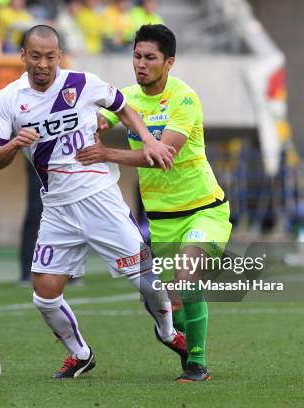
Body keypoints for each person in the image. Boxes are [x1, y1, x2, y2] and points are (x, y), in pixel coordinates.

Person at [0, 24, 184, 379]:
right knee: (43, 295)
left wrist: (147, 140)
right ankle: (81, 354)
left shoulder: (82, 83)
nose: (43, 64)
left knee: (147, 282)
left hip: (99, 199)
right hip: (58, 209)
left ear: (59, 56)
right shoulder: (7, 99)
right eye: (35, 56)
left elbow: (123, 107)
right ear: (23, 57)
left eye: (50, 56)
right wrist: (16, 143)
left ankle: (167, 332)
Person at [76, 24, 232, 382]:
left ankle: (197, 363)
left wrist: (107, 153)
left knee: (186, 278)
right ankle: (178, 335)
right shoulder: (128, 98)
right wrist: (86, 121)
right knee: (168, 303)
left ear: (169, 62)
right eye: (136, 56)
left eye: (150, 58)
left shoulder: (184, 99)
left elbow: (163, 156)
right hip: (161, 219)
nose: (141, 64)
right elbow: (102, 118)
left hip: (203, 209)